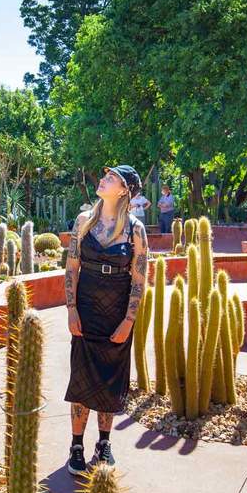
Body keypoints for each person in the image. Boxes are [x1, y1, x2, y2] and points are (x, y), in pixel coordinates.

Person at [64, 164, 148, 476]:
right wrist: (71, 309)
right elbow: (72, 267)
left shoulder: (135, 229)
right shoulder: (83, 221)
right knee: (81, 377)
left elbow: (139, 279)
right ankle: (76, 445)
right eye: (105, 175)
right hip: (85, 309)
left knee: (110, 380)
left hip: (117, 313)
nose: (103, 179)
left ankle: (103, 443)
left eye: (111, 177)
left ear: (124, 190)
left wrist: (128, 320)